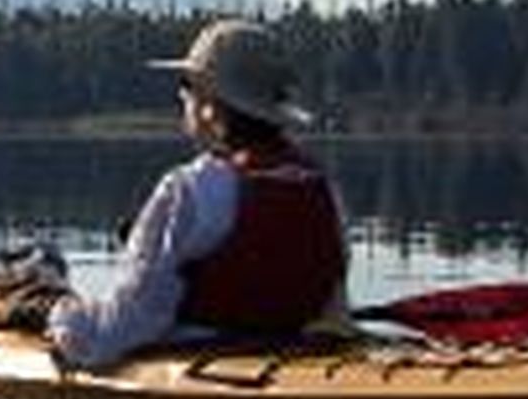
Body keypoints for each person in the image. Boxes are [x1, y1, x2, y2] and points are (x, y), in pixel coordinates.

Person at [43, 19, 348, 371]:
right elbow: (333, 309)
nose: (181, 95)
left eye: (186, 84)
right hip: (295, 357)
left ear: (210, 102)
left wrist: (58, 313)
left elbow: (118, 329)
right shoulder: (322, 187)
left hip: (201, 362)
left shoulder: (191, 190)